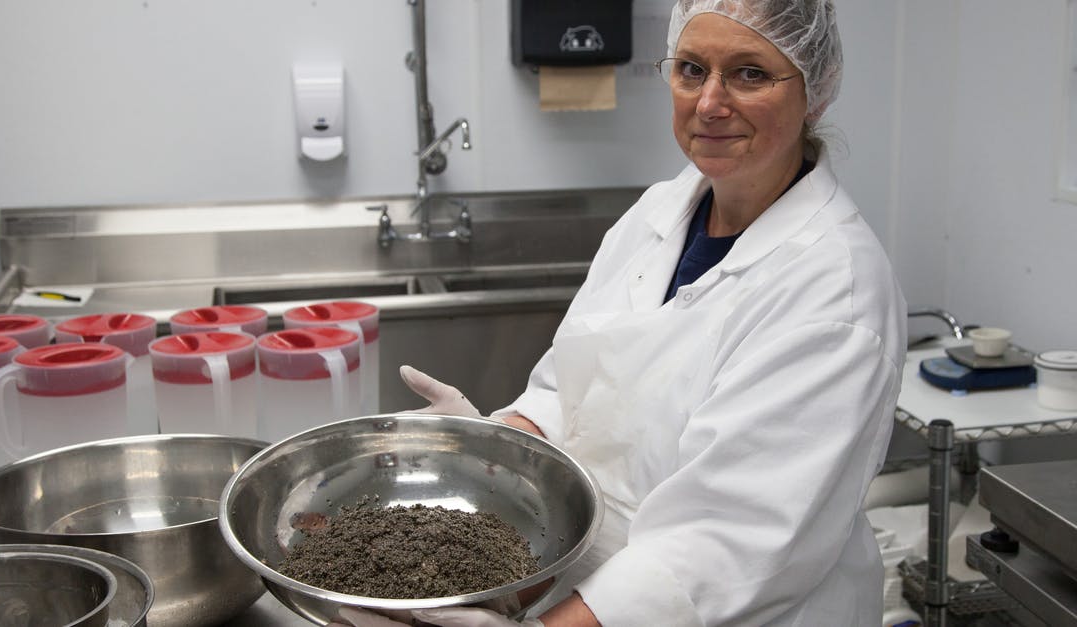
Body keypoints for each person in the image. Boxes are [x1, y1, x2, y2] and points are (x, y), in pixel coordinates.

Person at [332, 0, 907, 625]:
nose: (710, 102)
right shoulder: (657, 215)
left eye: (750, 74)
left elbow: (725, 546)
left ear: (814, 93)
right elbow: (570, 389)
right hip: (581, 585)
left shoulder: (834, 289)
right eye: (691, 69)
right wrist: (488, 451)